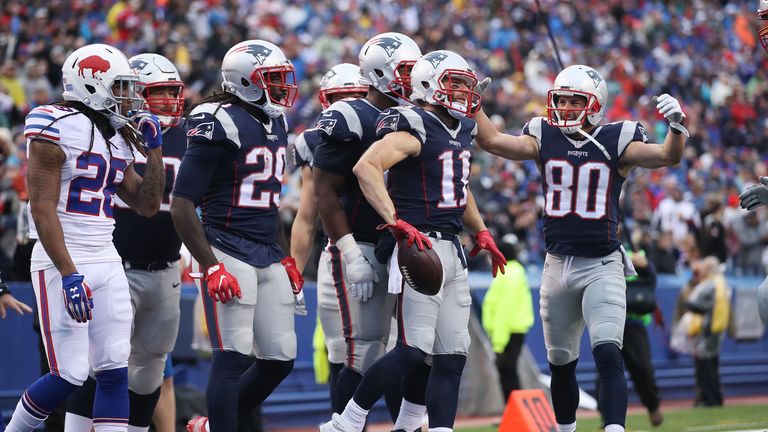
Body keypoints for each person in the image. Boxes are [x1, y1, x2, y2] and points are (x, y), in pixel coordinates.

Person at [473, 65, 688, 432]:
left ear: (596, 105)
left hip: (602, 263)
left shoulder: (617, 140)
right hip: (557, 265)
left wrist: (678, 128)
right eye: (562, 99)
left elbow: (667, 156)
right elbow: (492, 141)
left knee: (607, 350)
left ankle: (615, 428)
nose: (567, 107)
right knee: (561, 362)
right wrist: (473, 106)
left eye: (576, 100)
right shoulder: (544, 135)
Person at [321, 49, 506, 432]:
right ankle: (348, 421)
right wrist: (396, 221)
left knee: (452, 356)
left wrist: (482, 231)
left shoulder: (461, 128)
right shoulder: (414, 123)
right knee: (410, 350)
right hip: (421, 245)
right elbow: (365, 167)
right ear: (426, 84)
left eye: (464, 84)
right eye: (453, 83)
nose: (462, 91)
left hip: (452, 246)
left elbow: (459, 188)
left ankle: (419, 428)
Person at [5, 43, 165, 432]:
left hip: (106, 257)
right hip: (63, 258)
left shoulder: (116, 135)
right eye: (121, 86)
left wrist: (155, 151)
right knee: (69, 374)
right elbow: (41, 208)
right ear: (92, 85)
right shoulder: (54, 125)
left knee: (113, 368)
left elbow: (146, 204)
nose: (130, 97)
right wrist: (69, 272)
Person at [170, 39, 303, 432]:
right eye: (273, 79)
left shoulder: (275, 120)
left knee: (280, 359)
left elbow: (270, 202)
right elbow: (182, 203)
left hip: (265, 249)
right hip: (226, 246)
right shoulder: (218, 119)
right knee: (231, 357)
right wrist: (210, 267)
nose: (282, 87)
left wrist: (285, 255)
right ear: (246, 80)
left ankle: (210, 426)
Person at [63, 52, 187, 432]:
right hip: (117, 264)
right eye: (158, 91)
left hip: (166, 269)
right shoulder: (109, 134)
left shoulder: (186, 135)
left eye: (172, 90)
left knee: (151, 369)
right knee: (100, 364)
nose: (168, 100)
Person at [312, 32, 422, 417]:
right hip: (362, 243)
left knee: (410, 349)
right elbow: (323, 192)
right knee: (363, 351)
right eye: (406, 70)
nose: (415, 77)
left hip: (401, 247)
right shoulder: (351, 115)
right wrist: (348, 252)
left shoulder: (418, 115)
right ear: (381, 72)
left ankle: (406, 425)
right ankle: (344, 426)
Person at [290, 62, 367, 414]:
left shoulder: (385, 127)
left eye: (355, 96)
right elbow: (307, 216)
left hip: (382, 246)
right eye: (339, 98)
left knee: (397, 346)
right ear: (325, 101)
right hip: (336, 250)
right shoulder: (313, 141)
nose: (346, 105)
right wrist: (294, 271)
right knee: (339, 351)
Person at [597, 250, 663, 427]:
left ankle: (652, 405)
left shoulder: (638, 250)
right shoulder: (600, 244)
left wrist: (645, 265)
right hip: (610, 319)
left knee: (642, 368)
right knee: (606, 368)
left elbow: (651, 279)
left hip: (633, 322)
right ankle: (607, 417)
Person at [481, 234, 533, 400]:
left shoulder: (508, 274)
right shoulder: (515, 271)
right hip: (512, 330)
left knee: (507, 371)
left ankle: (515, 412)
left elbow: (504, 309)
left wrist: (499, 341)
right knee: (509, 371)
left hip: (507, 332)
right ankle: (514, 411)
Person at [674, 256, 730, 407]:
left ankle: (710, 399)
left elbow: (695, 304)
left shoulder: (711, 284)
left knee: (707, 367)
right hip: (716, 329)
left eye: (705, 267)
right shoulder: (721, 283)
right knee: (712, 366)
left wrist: (690, 305)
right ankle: (713, 398)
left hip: (708, 330)